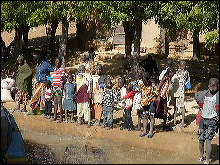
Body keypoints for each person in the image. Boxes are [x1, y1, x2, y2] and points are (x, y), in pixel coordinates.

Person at [195, 78, 219, 164]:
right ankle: (201, 156)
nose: (213, 88)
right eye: (211, 86)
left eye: (215, 86)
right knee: (201, 140)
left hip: (212, 121)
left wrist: (218, 116)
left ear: (218, 86)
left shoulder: (218, 96)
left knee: (208, 140)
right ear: (208, 86)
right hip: (203, 120)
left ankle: (207, 160)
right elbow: (196, 96)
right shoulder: (204, 94)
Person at [139, 72, 159, 138]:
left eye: (145, 80)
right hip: (144, 102)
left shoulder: (152, 84)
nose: (144, 81)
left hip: (151, 102)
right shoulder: (141, 83)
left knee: (151, 116)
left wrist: (154, 99)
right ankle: (144, 130)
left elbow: (156, 93)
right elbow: (139, 91)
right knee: (145, 116)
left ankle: (151, 131)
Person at [171, 60, 190, 127]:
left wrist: (187, 85)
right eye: (181, 65)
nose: (182, 67)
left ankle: (182, 121)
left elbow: (187, 81)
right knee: (175, 106)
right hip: (175, 91)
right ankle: (174, 120)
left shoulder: (186, 73)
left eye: (183, 65)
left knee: (182, 106)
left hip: (181, 92)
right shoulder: (177, 72)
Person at [50, 57, 66, 123]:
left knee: (59, 102)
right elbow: (53, 78)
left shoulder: (61, 70)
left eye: (59, 62)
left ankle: (61, 118)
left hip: (58, 88)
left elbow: (64, 79)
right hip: (54, 87)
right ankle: (55, 117)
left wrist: (61, 84)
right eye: (56, 62)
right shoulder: (54, 69)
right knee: (55, 102)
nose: (57, 63)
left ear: (60, 63)